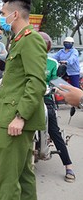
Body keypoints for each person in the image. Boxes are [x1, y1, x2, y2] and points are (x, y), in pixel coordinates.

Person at [0, 0, 46, 200]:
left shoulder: (30, 40)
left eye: (3, 13)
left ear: (15, 14)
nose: (1, 18)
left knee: (7, 178)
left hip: (16, 118)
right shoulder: (18, 40)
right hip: (13, 114)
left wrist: (20, 116)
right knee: (24, 175)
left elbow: (36, 82)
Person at [40, 32, 75, 182]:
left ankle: (68, 165)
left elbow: (57, 81)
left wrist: (67, 93)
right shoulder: (24, 60)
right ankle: (0, 159)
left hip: (46, 98)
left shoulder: (52, 63)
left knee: (53, 131)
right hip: (26, 99)